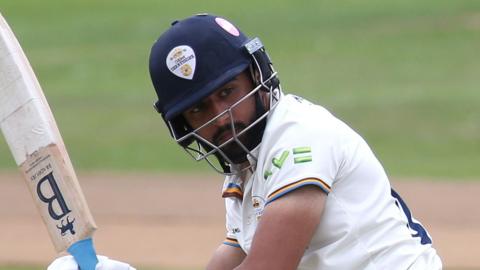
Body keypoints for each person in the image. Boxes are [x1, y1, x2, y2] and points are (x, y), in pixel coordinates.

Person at [49, 14, 442, 270]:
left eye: (228, 93)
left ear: (257, 77)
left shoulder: (298, 138)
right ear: (183, 125)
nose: (222, 118)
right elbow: (230, 257)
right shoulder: (245, 168)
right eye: (200, 109)